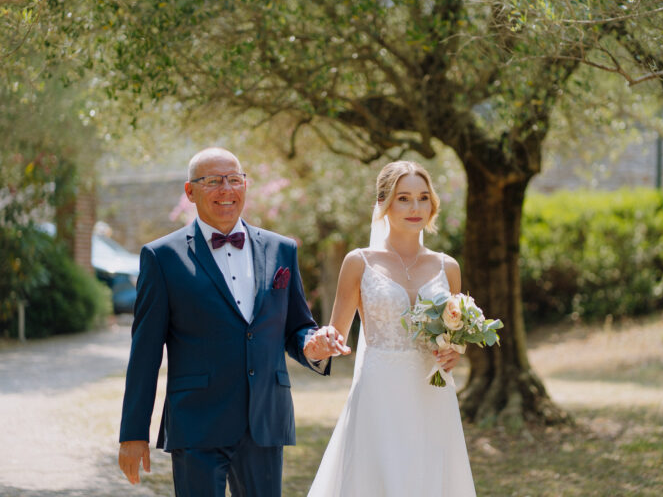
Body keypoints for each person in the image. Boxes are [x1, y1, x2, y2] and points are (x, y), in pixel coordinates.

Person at [117, 147, 350, 497]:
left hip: (265, 420)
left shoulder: (281, 249)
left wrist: (311, 343)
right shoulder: (161, 257)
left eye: (234, 179)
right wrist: (134, 432)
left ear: (245, 185)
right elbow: (145, 353)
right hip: (197, 421)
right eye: (213, 181)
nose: (226, 189)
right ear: (190, 191)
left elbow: (297, 327)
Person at [307, 161, 476, 496]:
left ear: (433, 204)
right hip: (379, 391)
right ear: (384, 203)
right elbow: (335, 333)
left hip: (432, 393)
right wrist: (324, 342)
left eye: (423, 197)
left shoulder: (448, 266)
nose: (415, 208)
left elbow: (456, 337)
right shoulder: (359, 262)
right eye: (403, 198)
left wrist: (455, 351)